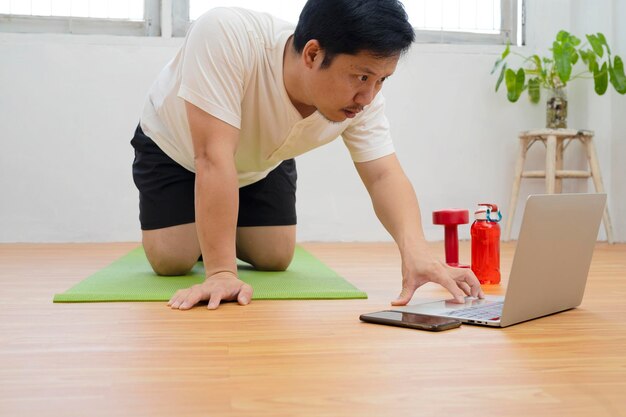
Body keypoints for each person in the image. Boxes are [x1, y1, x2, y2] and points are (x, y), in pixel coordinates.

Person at [131, 0, 485, 310]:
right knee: (172, 259)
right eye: (362, 76)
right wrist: (221, 272)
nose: (369, 96)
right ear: (313, 54)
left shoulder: (363, 98)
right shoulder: (226, 32)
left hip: (261, 162)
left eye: (381, 80)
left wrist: (418, 253)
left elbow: (383, 175)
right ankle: (202, 230)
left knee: (275, 257)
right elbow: (212, 156)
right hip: (179, 150)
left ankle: (213, 222)